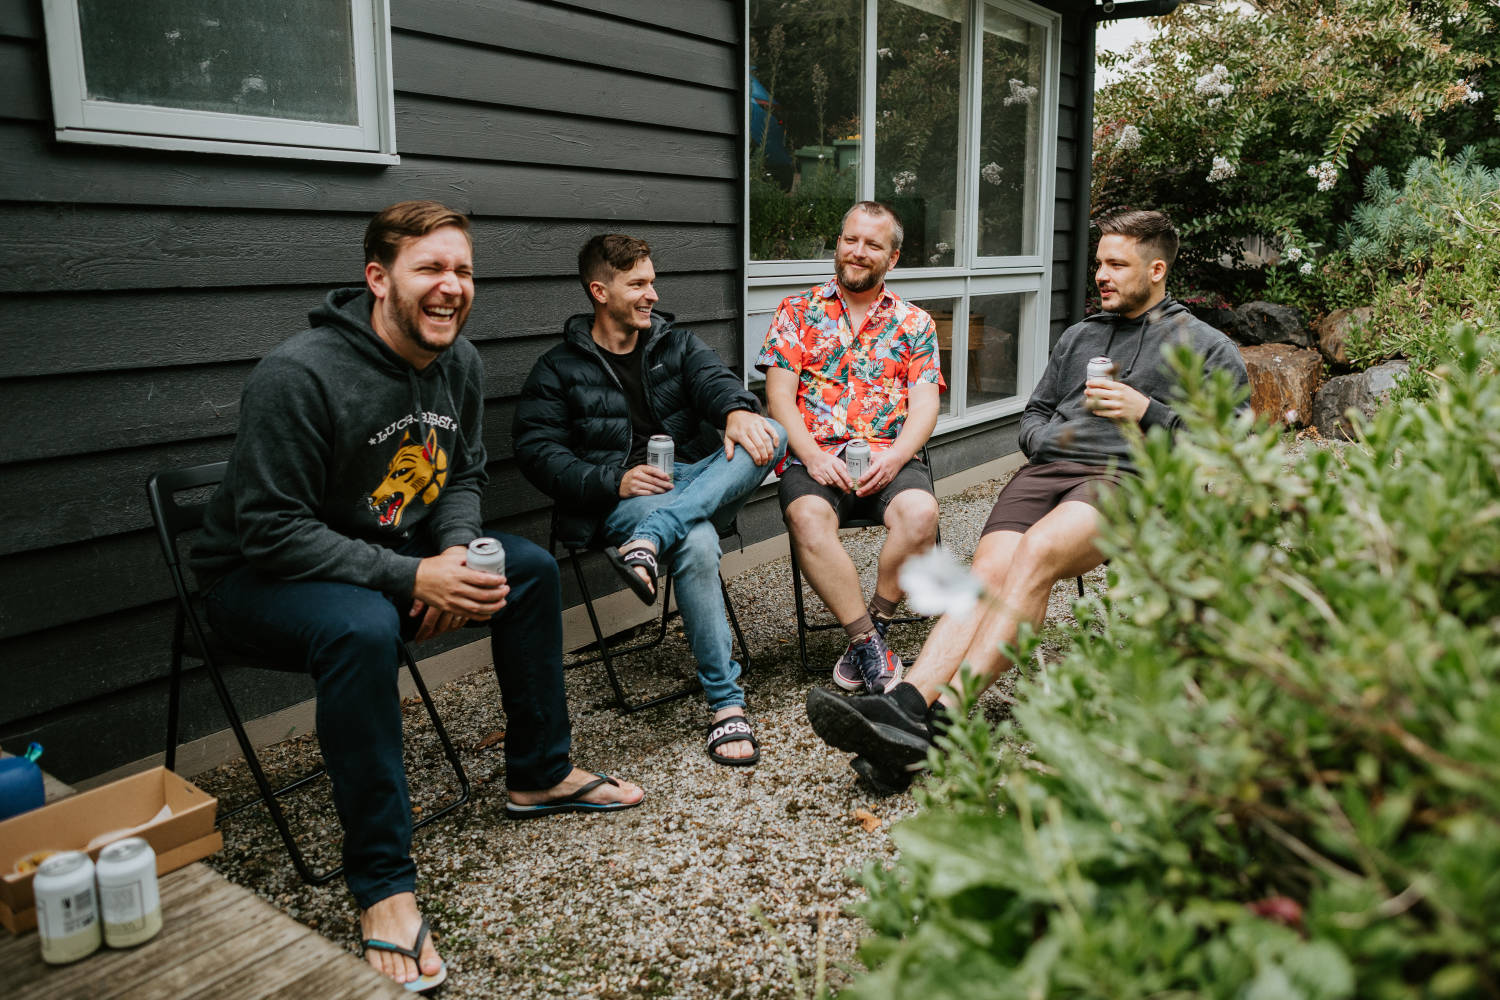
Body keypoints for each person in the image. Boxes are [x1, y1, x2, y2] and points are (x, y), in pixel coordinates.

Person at [191, 201, 643, 992]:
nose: (452, 286)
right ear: (378, 278)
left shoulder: (458, 363)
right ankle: (382, 886)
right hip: (256, 582)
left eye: (463, 270)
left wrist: (454, 554)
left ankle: (538, 771)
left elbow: (461, 473)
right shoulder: (299, 376)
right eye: (430, 268)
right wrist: (410, 578)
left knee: (526, 569)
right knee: (364, 628)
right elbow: (268, 531)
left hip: (387, 554)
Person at [805, 209, 1250, 793]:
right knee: (986, 572)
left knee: (1036, 554)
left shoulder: (1207, 347)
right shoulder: (1081, 336)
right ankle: (906, 707)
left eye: (1116, 264)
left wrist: (1148, 413)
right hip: (1049, 470)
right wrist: (1048, 440)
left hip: (1125, 475)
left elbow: (1229, 447)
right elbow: (1034, 414)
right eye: (1099, 264)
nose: (1101, 275)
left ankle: (939, 722)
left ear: (1157, 269)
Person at [513, 234, 786, 766]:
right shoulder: (557, 369)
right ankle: (727, 707)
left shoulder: (675, 344)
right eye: (637, 283)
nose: (652, 294)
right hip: (626, 494)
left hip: (698, 477)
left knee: (771, 431)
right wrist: (613, 479)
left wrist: (734, 410)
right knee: (700, 540)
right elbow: (537, 452)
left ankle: (655, 535)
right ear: (599, 291)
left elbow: (715, 383)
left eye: (652, 281)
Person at [757, 201, 945, 695]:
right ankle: (865, 642)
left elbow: (925, 405)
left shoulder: (916, 323)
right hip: (814, 454)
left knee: (921, 516)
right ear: (838, 242)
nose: (857, 252)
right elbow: (778, 396)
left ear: (893, 258)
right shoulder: (796, 312)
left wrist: (899, 455)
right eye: (850, 240)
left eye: (873, 245)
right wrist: (813, 456)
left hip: (888, 453)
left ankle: (876, 624)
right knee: (806, 519)